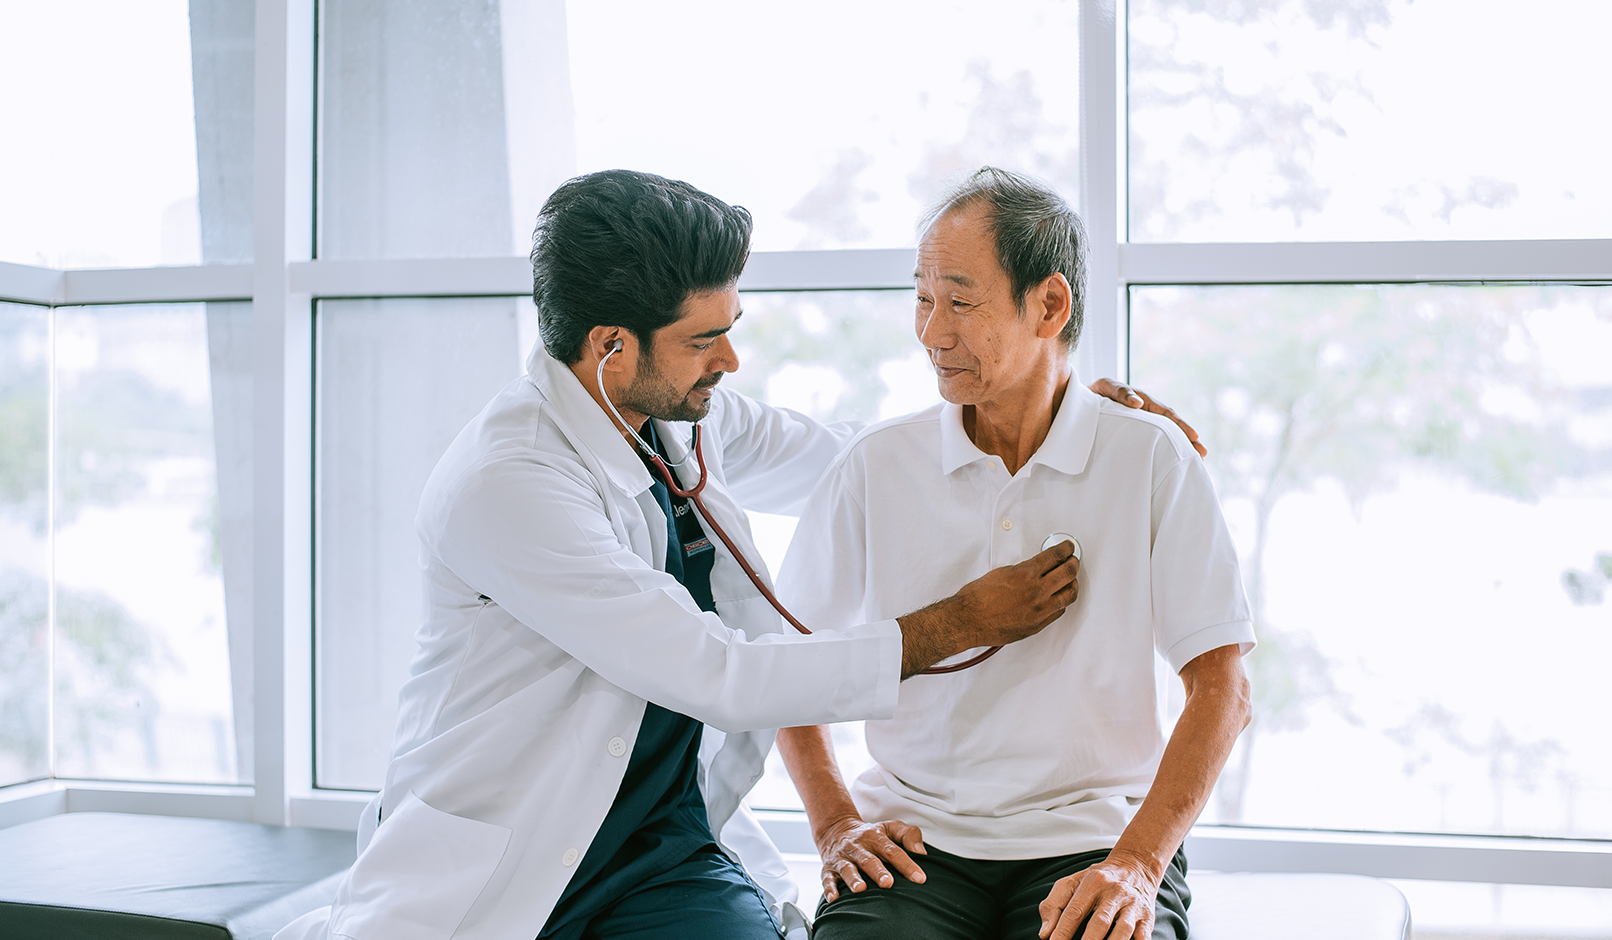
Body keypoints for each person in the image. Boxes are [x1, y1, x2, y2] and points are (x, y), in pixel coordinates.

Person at [276, 169, 1191, 940]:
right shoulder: (507, 483)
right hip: (506, 854)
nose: (731, 362)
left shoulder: (673, 414)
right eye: (705, 339)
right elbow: (718, 673)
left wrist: (1050, 404)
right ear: (608, 347)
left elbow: (867, 461)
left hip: (657, 849)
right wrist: (956, 625)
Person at [774, 167, 1255, 940]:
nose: (932, 332)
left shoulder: (1151, 457)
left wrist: (1135, 865)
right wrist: (835, 824)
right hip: (914, 843)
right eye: (923, 299)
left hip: (1095, 837)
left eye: (961, 302)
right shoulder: (875, 464)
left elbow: (1223, 690)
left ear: (1050, 305)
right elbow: (788, 663)